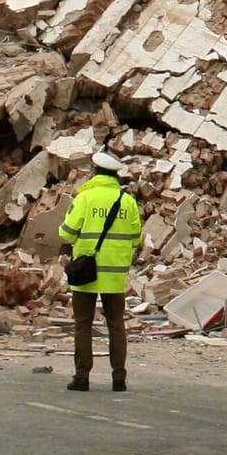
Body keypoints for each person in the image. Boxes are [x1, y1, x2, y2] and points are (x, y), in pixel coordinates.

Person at [57, 150, 143, 392]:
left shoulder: (85, 198)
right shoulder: (127, 201)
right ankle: (119, 378)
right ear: (116, 175)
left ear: (94, 173)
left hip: (87, 272)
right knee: (116, 324)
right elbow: (136, 238)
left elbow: (66, 233)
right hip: (115, 275)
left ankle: (82, 377)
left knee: (83, 324)